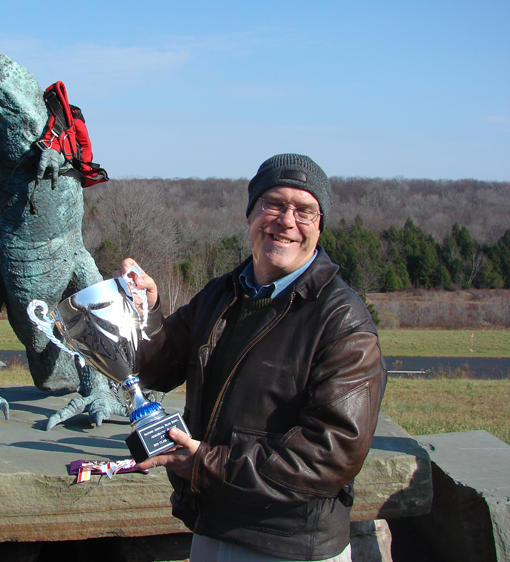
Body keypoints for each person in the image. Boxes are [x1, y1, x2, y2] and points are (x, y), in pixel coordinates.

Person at [120, 154, 387, 562]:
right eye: (274, 204)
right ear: (251, 213)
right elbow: (156, 369)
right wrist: (147, 314)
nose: (286, 221)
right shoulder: (223, 293)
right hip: (212, 524)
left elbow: (332, 454)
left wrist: (207, 464)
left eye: (305, 211)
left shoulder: (342, 321)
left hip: (289, 544)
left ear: (320, 226)